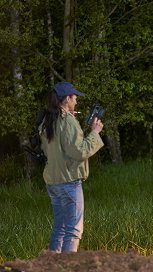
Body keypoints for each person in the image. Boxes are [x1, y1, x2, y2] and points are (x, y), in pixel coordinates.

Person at [39, 81, 104, 253]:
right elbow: (79, 152)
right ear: (67, 99)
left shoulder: (47, 119)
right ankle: (67, 271)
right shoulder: (67, 120)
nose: (76, 101)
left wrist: (70, 119)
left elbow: (50, 148)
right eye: (74, 98)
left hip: (53, 181)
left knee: (60, 228)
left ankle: (51, 265)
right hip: (68, 181)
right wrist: (95, 133)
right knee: (73, 230)